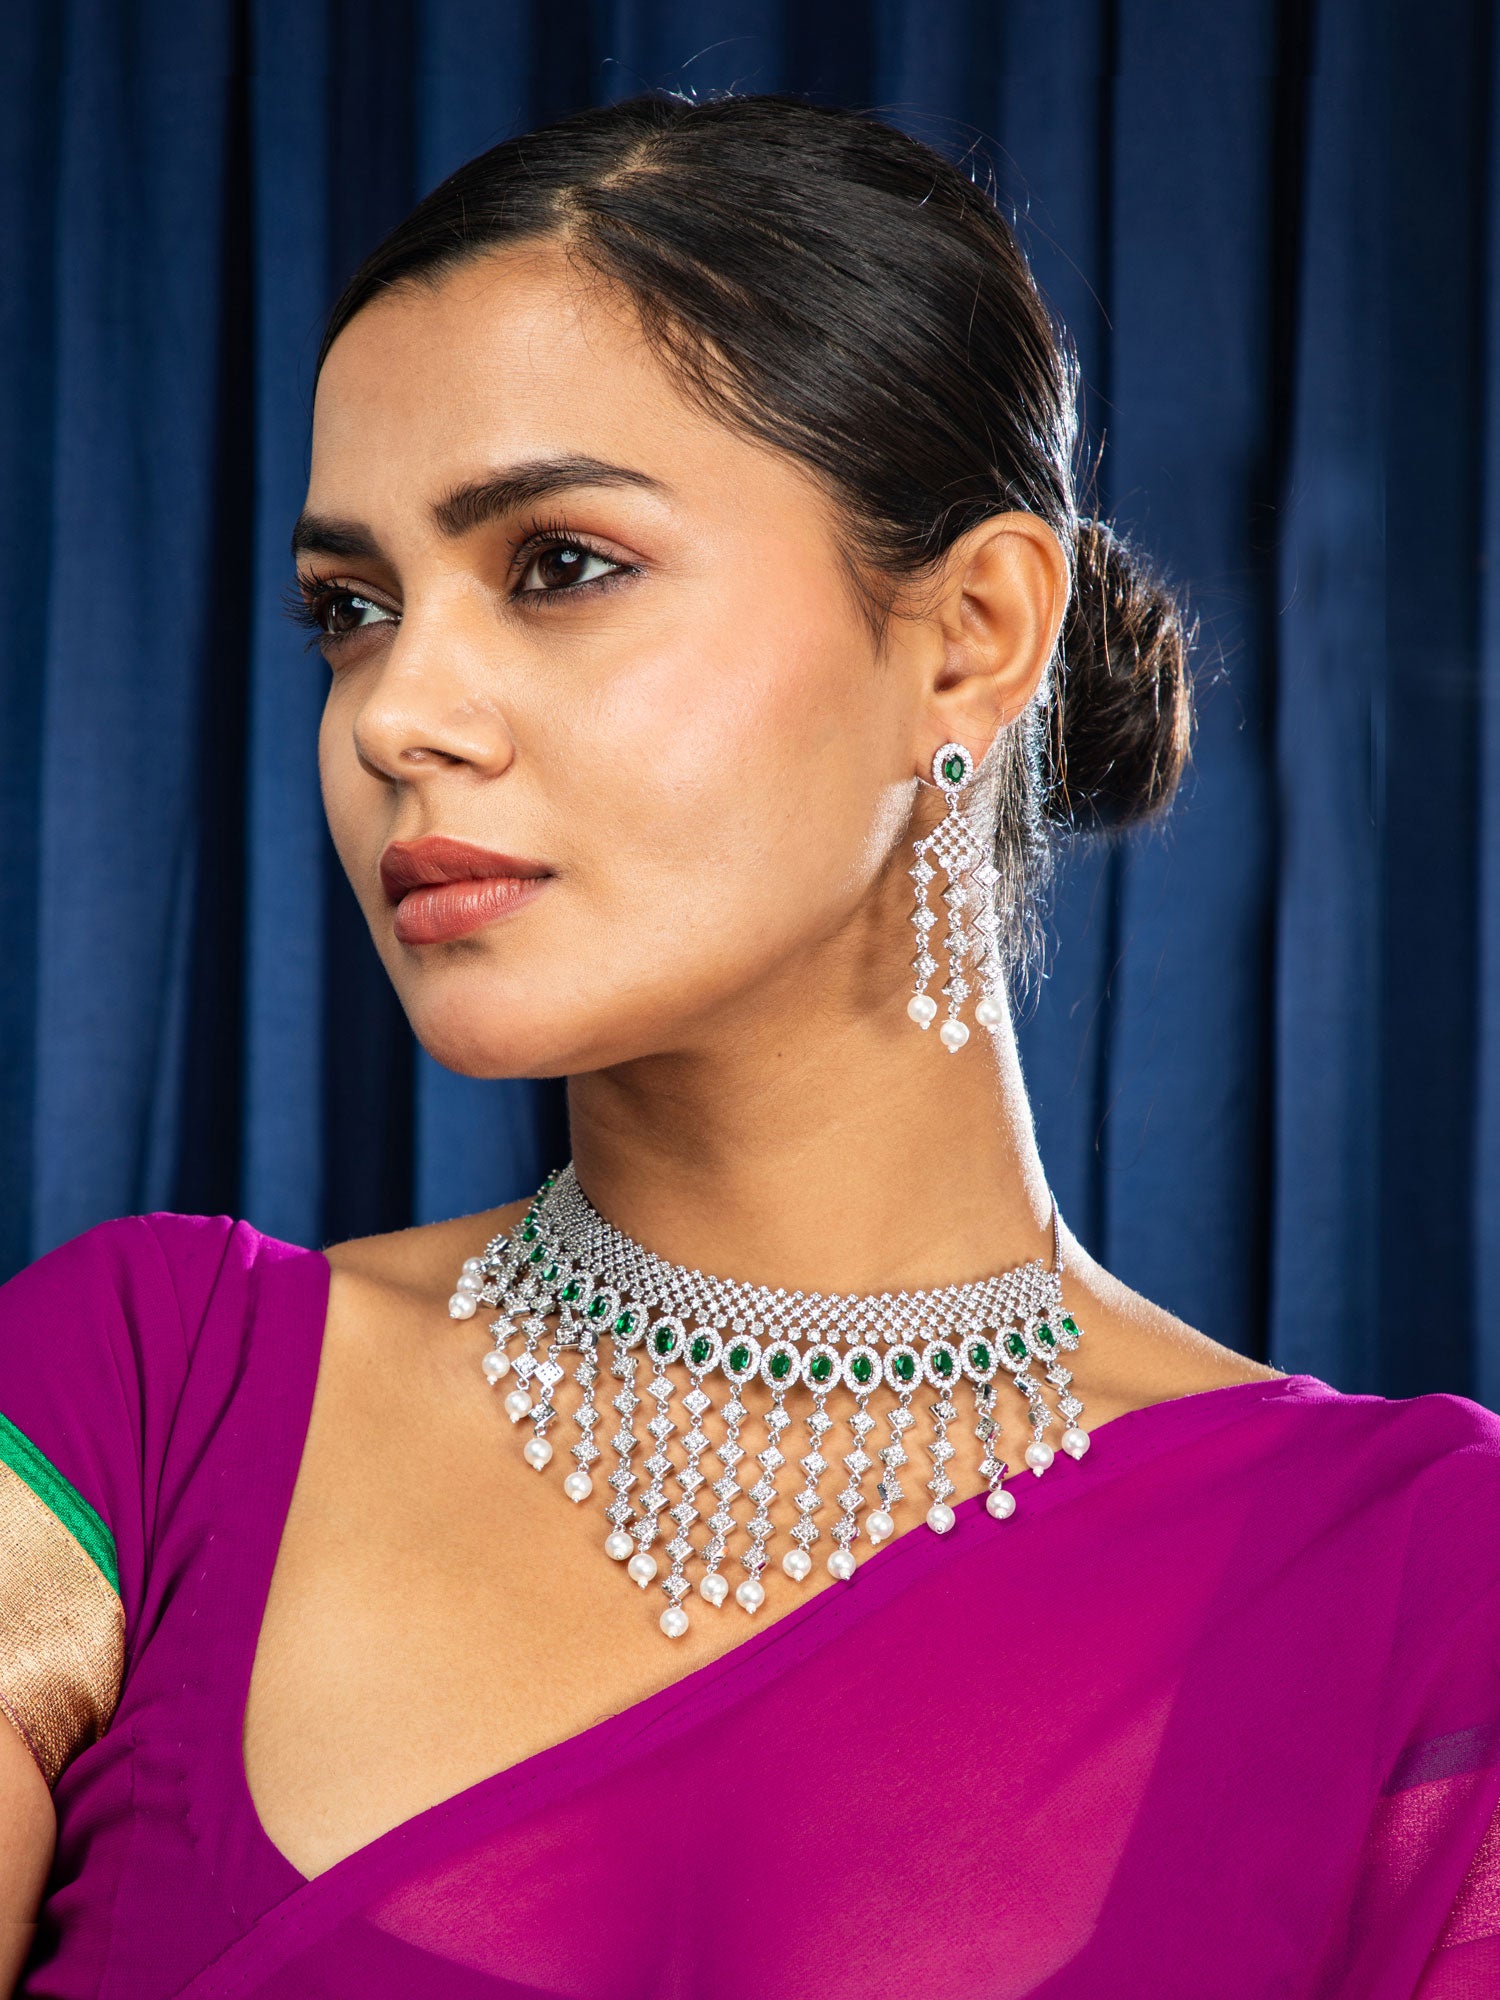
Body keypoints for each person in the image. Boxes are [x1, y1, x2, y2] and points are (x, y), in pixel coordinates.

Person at [2, 90, 1497, 1999]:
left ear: (969, 634)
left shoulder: (1417, 1596)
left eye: (557, 564)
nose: (396, 715)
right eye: (352, 611)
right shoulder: (146, 1408)